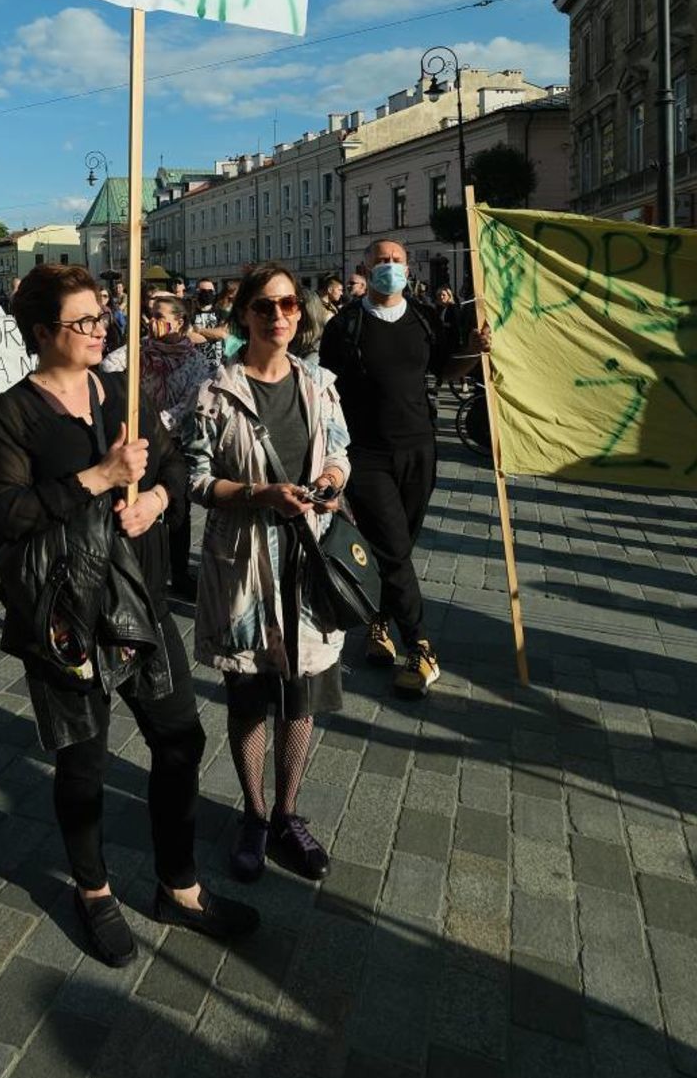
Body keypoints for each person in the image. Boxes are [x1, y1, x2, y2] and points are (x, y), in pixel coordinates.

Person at [0, 264, 257, 967]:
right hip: (68, 615)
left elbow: (168, 466)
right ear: (43, 332)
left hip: (139, 596)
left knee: (181, 738)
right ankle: (95, 889)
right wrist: (96, 479)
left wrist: (156, 502)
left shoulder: (120, 388)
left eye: (101, 314)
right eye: (83, 320)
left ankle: (180, 884)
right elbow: (7, 515)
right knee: (85, 758)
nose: (101, 327)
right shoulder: (13, 411)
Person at [188, 263, 351, 884]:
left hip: (308, 559)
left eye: (288, 305)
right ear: (244, 316)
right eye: (265, 307)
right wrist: (260, 493)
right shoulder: (216, 392)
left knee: (302, 697)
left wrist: (332, 483)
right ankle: (255, 814)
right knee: (251, 699)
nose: (279, 315)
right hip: (246, 563)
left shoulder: (319, 385)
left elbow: (339, 452)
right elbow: (197, 478)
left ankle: (288, 813)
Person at [319, 237, 489, 697]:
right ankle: (420, 646)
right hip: (367, 454)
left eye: (396, 261)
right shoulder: (346, 325)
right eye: (381, 262)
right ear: (365, 267)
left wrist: (473, 350)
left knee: (397, 546)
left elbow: (447, 370)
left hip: (420, 448)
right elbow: (325, 390)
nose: (389, 267)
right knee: (393, 545)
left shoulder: (424, 318)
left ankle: (376, 623)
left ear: (407, 268)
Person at [103, 294, 211, 599]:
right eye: (149, 315)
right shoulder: (138, 353)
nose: (151, 321)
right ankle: (134, 568)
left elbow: (189, 404)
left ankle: (178, 572)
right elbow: (110, 364)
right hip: (135, 439)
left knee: (178, 507)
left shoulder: (195, 361)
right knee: (131, 502)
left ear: (179, 322)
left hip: (173, 443)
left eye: (159, 316)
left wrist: (153, 424)